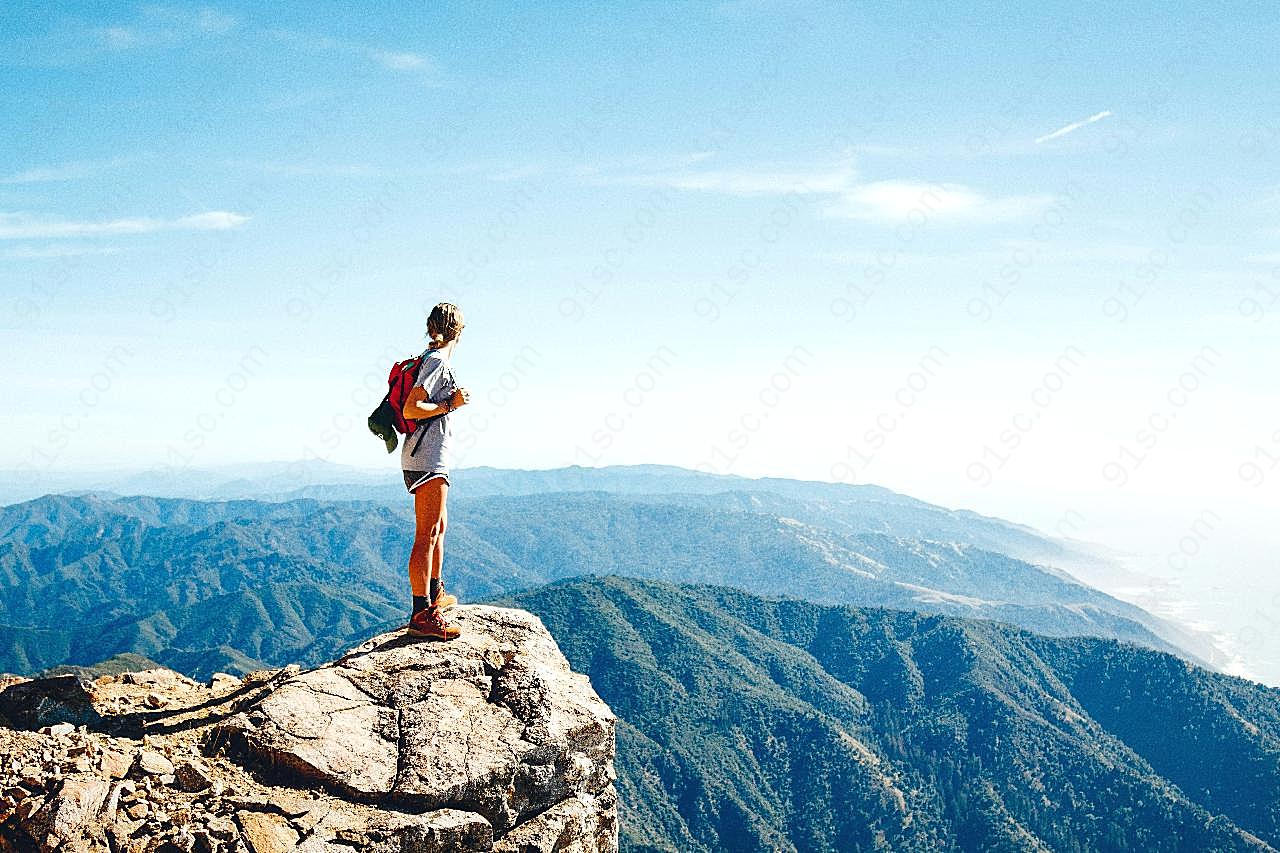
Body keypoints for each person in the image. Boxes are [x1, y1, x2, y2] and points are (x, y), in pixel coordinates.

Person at [400, 302, 470, 639]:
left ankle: (435, 594)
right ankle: (421, 613)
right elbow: (412, 407)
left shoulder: (433, 360)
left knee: (439, 527)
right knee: (426, 533)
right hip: (426, 458)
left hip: (427, 457)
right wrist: (449, 404)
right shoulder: (437, 361)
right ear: (459, 329)